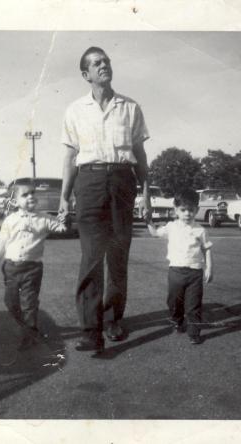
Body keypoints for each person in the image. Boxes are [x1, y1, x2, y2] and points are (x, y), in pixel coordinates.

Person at [59, 46, 151, 353]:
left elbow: (139, 154)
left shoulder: (130, 107)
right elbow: (70, 157)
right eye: (97, 63)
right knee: (91, 256)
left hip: (123, 180)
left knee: (118, 254)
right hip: (90, 181)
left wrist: (147, 192)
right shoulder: (74, 110)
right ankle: (90, 330)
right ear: (86, 75)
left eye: (107, 61)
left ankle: (113, 319)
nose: (104, 66)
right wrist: (64, 197)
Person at [0, 181, 66, 350]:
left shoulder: (44, 218)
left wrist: (62, 220)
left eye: (32, 193)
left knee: (29, 303)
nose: (31, 196)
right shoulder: (10, 220)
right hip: (11, 268)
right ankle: (27, 326)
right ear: (15, 202)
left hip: (32, 269)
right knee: (11, 302)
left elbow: (61, 227)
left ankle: (29, 335)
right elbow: (2, 242)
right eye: (25, 195)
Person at [147, 189, 213, 344]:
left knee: (194, 305)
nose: (187, 214)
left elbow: (207, 249)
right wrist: (148, 221)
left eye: (191, 210)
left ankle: (194, 332)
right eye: (183, 210)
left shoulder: (201, 230)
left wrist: (209, 268)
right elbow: (155, 233)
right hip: (176, 272)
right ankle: (177, 320)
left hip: (195, 272)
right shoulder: (171, 227)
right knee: (173, 302)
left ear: (196, 210)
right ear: (176, 210)